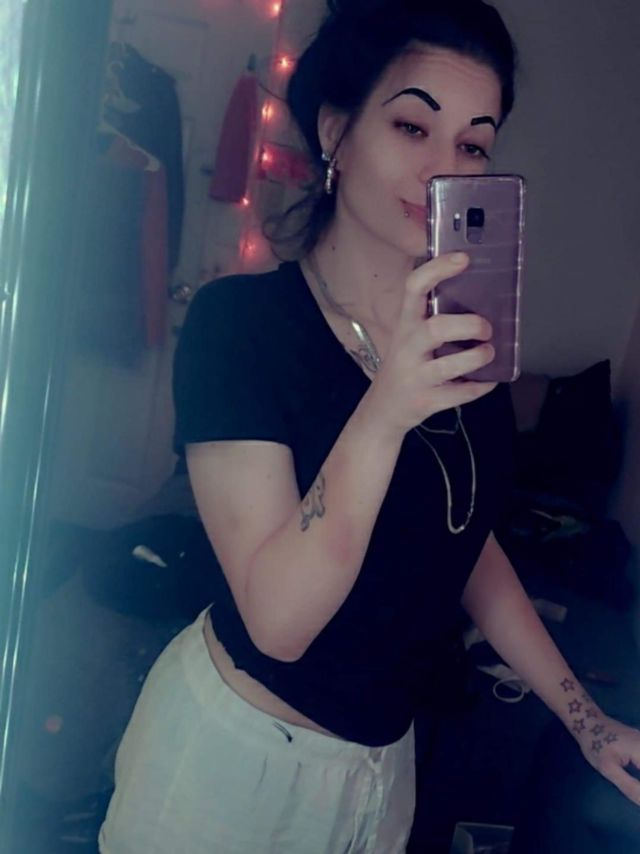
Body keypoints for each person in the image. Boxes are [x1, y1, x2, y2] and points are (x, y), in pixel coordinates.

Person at [99, 1, 640, 851]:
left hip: (384, 774)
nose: (442, 168)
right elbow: (279, 622)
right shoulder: (242, 326)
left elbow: (467, 545)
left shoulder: (459, 343)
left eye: (472, 145)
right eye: (411, 127)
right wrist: (385, 408)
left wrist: (586, 719)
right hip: (234, 766)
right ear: (337, 133)